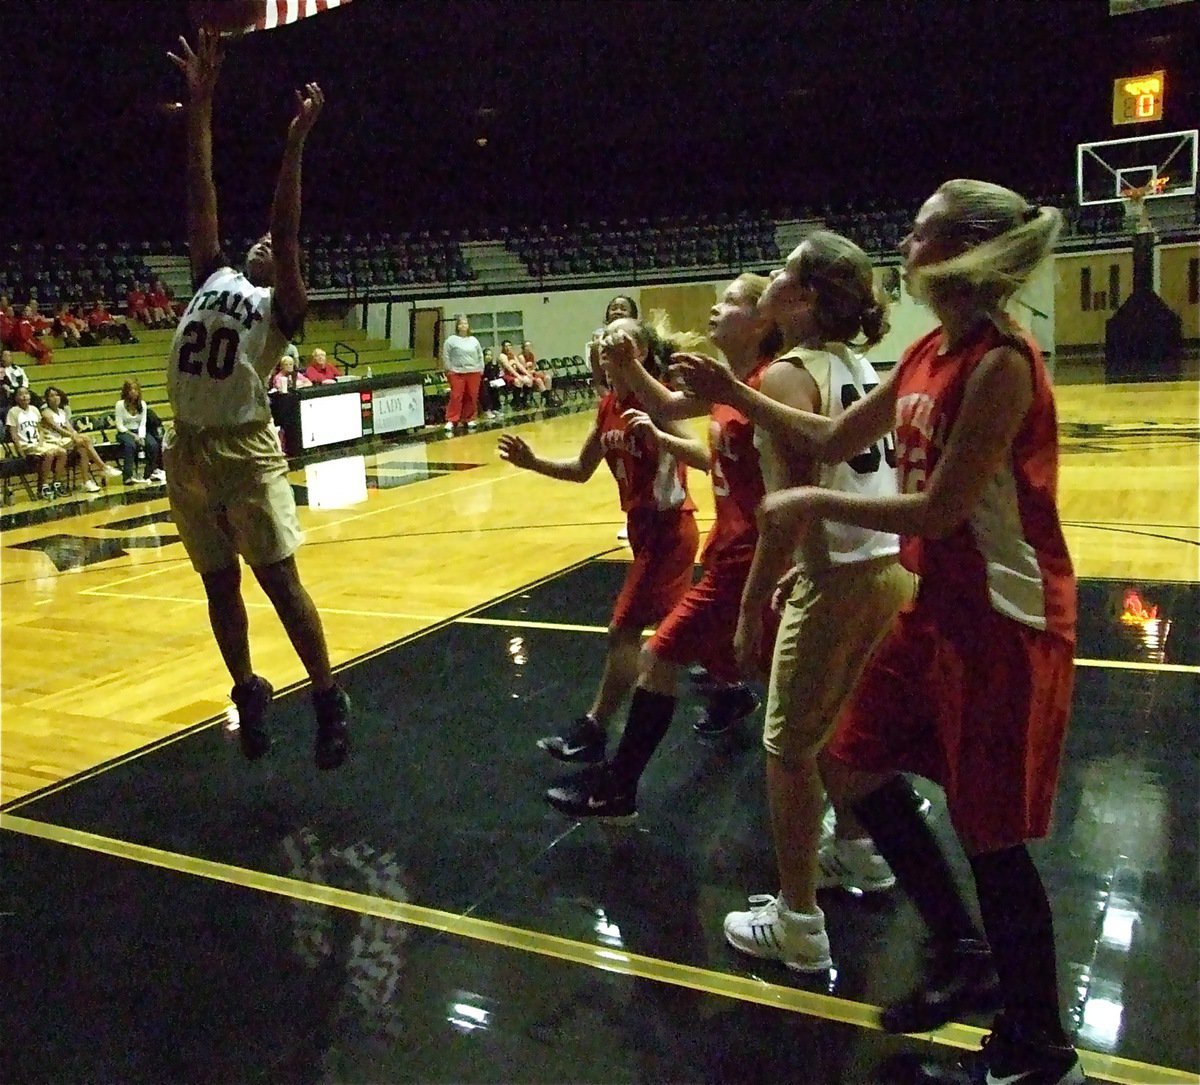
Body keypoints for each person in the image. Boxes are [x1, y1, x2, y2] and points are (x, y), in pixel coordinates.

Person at [741, 181, 1081, 1083]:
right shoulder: (930, 347)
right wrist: (731, 394)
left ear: (961, 249)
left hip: (1004, 616)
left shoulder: (1002, 362)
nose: (904, 239)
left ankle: (1039, 1048)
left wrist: (809, 497)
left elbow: (940, 508)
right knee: (849, 757)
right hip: (936, 607)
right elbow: (835, 429)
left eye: (921, 228)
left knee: (991, 834)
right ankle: (963, 950)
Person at [671, 233, 912, 973]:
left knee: (787, 748)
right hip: (887, 569)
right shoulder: (854, 362)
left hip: (838, 575)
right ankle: (859, 852)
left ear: (803, 298)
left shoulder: (783, 377)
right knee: (843, 729)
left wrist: (750, 605)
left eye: (783, 272)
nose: (771, 277)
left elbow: (784, 512)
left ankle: (799, 921)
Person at [545, 275, 798, 822]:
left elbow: (799, 468)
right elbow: (685, 423)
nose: (716, 306)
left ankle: (615, 781)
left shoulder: (771, 383)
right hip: (726, 547)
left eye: (731, 300)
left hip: (738, 551)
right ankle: (863, 798)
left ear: (764, 321)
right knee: (781, 674)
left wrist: (777, 571)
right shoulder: (735, 384)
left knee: (658, 653)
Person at [165, 29, 350, 769]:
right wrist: (201, 109)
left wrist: (296, 141)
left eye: (278, 251)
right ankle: (247, 688)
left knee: (279, 580)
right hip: (187, 449)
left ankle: (329, 695)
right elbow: (201, 192)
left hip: (244, 445)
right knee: (218, 584)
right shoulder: (212, 273)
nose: (267, 246)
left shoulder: (284, 306)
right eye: (262, 244)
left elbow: (288, 228)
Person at [499, 314, 707, 763]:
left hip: (669, 527)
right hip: (642, 529)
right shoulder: (609, 403)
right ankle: (729, 689)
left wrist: (659, 436)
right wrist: (532, 462)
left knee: (623, 630)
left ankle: (595, 727)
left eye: (620, 339)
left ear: (641, 353)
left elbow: (705, 457)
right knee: (691, 631)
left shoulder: (658, 403)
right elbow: (580, 470)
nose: (607, 343)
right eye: (605, 339)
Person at [40, 385, 122, 492]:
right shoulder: (46, 413)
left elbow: (70, 428)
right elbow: (58, 429)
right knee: (85, 440)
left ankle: (86, 482)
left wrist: (76, 435)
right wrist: (74, 437)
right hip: (53, 443)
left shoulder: (62, 412)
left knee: (83, 449)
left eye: (57, 395)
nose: (55, 398)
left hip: (65, 441)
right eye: (52, 396)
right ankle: (103, 467)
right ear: (47, 399)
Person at [6, 385, 67, 500]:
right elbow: (13, 434)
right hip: (26, 445)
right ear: (16, 398)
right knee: (49, 454)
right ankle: (42, 486)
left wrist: (41, 441)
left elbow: (40, 430)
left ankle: (56, 483)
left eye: (26, 394)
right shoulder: (13, 412)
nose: (24, 396)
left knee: (62, 452)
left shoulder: (34, 409)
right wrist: (19, 450)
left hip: (38, 444)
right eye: (21, 394)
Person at [114, 379, 164, 485]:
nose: (133, 392)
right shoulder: (119, 405)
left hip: (139, 430)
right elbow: (119, 425)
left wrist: (141, 436)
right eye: (131, 389)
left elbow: (142, 423)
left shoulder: (143, 405)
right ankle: (127, 476)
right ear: (126, 391)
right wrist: (133, 436)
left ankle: (149, 472)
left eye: (135, 389)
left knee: (153, 444)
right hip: (125, 432)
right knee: (130, 445)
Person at [441, 314, 484, 431]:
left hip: (473, 371)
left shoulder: (474, 340)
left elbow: (480, 355)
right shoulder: (451, 340)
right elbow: (446, 355)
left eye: (465, 323)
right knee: (456, 395)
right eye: (461, 324)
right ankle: (452, 419)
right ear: (457, 326)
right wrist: (449, 369)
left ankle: (469, 418)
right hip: (457, 372)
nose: (463, 325)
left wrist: (481, 368)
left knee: (471, 396)